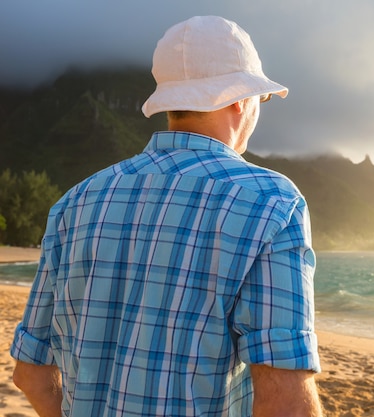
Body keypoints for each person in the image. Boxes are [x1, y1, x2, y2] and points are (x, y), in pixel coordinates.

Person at [10, 15, 324, 417]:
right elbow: (285, 402)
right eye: (260, 99)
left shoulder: (76, 201)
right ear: (238, 99)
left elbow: (30, 374)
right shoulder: (271, 202)